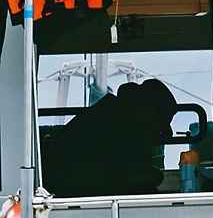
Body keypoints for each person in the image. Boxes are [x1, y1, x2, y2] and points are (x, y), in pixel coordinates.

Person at [39, 78, 179, 197]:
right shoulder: (131, 126)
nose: (157, 131)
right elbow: (142, 191)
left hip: (64, 198)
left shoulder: (103, 113)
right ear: (151, 110)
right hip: (83, 204)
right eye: (161, 121)